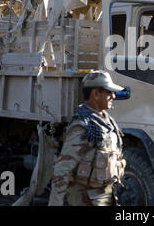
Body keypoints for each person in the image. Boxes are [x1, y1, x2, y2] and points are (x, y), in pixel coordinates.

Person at [48, 70, 126, 206]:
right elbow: (62, 170)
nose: (113, 96)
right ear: (96, 94)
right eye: (109, 92)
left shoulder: (107, 122)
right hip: (86, 198)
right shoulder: (81, 126)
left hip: (106, 195)